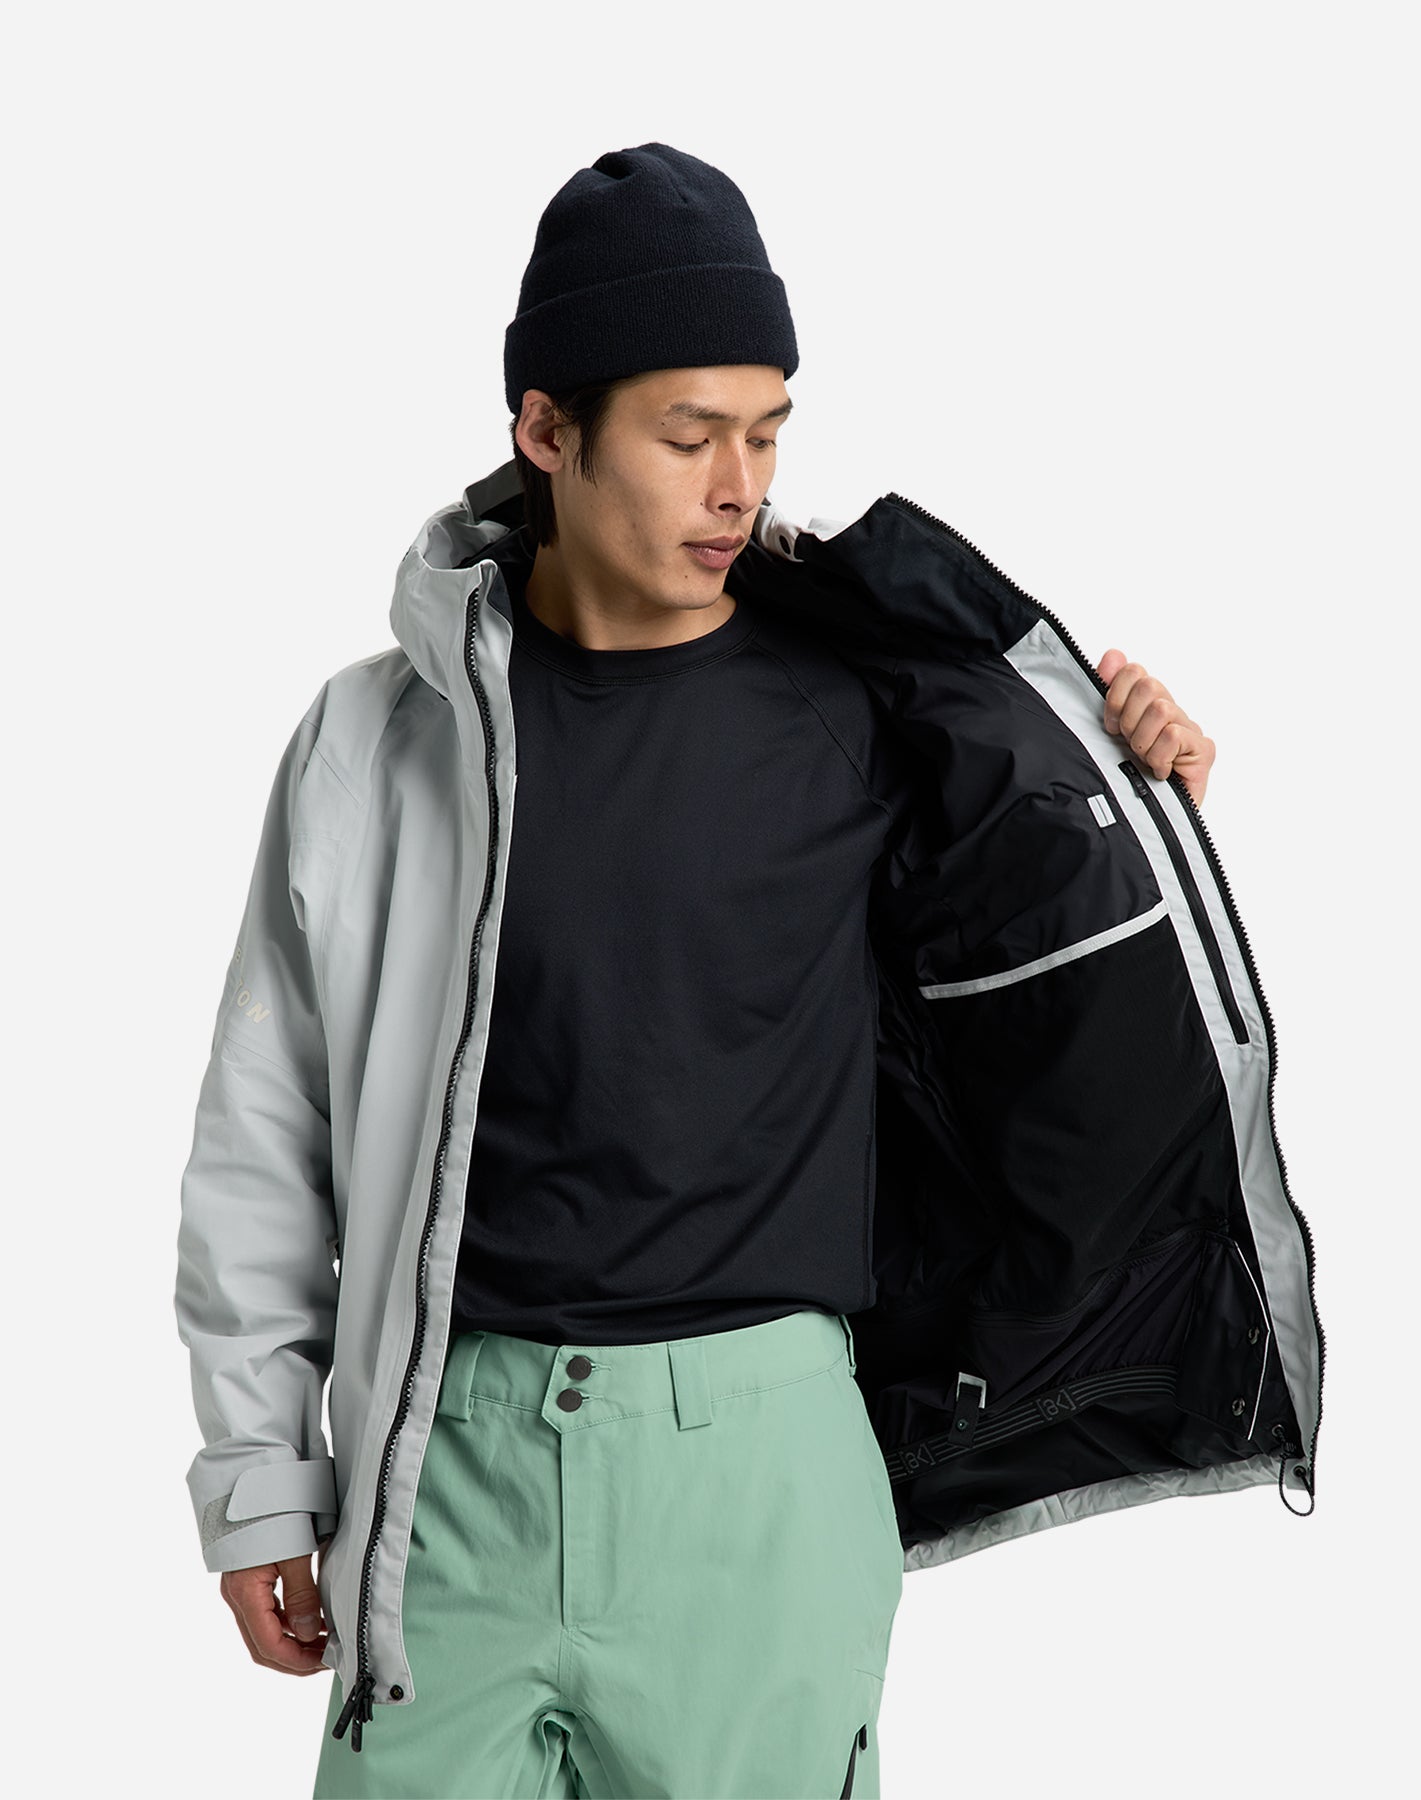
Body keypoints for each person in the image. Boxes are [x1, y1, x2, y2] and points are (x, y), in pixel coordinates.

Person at [177, 143, 1242, 1800]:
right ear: (549, 430)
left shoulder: (870, 712)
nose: (740, 484)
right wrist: (258, 1478)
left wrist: (1129, 791)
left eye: (768, 431)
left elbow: (1054, 1005)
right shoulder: (383, 741)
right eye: (689, 436)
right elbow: (268, 1124)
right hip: (446, 1469)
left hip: (760, 1469)